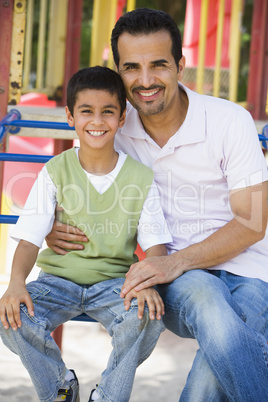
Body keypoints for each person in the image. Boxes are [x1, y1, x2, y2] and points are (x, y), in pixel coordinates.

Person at [46, 8, 268, 401]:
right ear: (117, 70)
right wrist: (50, 225)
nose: (145, 81)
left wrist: (175, 261)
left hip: (250, 269)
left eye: (159, 65)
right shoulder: (109, 128)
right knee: (208, 298)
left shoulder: (229, 121)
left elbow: (252, 224)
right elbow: (73, 195)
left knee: (214, 368)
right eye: (132, 67)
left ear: (180, 66)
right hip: (175, 281)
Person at [0, 66, 173, 402]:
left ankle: (107, 396)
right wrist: (16, 283)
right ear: (70, 116)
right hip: (57, 283)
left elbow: (155, 245)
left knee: (149, 317)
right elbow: (30, 237)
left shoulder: (139, 177)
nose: (97, 121)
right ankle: (61, 387)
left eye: (108, 112)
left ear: (122, 118)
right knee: (11, 316)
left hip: (114, 285)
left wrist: (149, 283)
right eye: (86, 112)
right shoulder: (56, 170)